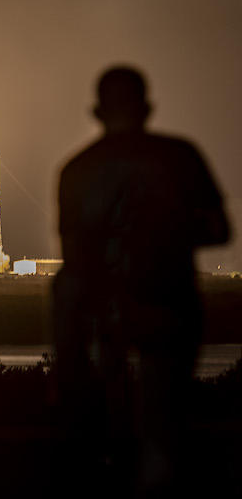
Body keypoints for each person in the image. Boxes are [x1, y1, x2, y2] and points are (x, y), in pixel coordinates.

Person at [53, 65, 229, 497]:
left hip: (103, 317)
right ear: (148, 108)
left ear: (96, 111)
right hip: (170, 308)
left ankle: (79, 421)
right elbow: (220, 230)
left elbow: (73, 260)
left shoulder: (76, 169)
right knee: (162, 432)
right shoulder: (181, 155)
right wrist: (165, 232)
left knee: (101, 431)